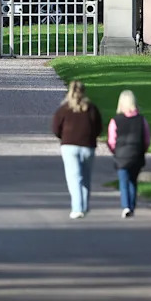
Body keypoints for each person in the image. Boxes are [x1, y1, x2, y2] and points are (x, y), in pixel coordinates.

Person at [51, 80, 103, 219]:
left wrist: (63, 136)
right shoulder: (91, 108)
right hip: (88, 146)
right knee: (86, 178)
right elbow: (98, 128)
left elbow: (56, 128)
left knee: (74, 178)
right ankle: (84, 207)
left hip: (69, 146)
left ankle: (77, 208)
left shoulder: (64, 109)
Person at [106, 90, 151, 218]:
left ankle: (126, 206)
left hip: (121, 155)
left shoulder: (116, 120)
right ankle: (132, 205)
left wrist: (115, 151)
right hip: (136, 154)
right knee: (133, 181)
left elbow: (112, 140)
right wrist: (143, 149)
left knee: (123, 181)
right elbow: (146, 138)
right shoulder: (141, 120)